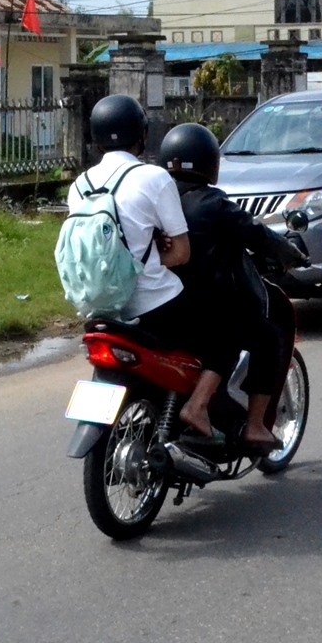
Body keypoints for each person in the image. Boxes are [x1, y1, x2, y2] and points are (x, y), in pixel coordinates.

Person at [67, 95, 231, 439]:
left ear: (95, 136)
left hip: (100, 307)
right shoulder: (153, 178)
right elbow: (182, 253)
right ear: (141, 135)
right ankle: (196, 408)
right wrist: (155, 257)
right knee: (227, 332)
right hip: (155, 306)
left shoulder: (78, 186)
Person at [158, 122, 304, 450]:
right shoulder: (211, 202)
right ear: (210, 161)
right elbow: (256, 233)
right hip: (196, 310)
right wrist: (291, 253)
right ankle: (247, 424)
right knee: (263, 336)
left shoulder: (153, 198)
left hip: (154, 308)